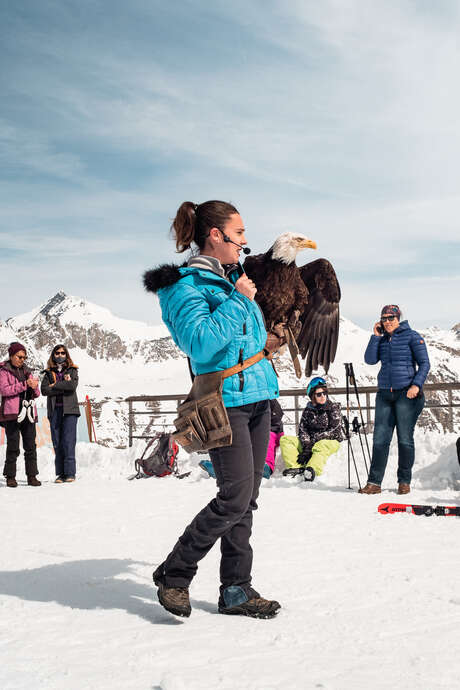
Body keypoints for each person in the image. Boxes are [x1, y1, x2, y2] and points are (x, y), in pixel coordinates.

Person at [143, 199, 281, 619]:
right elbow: (200, 344)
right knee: (233, 498)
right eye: (238, 234)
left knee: (247, 499)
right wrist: (240, 301)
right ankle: (175, 573)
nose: (244, 243)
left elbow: (242, 344)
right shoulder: (183, 286)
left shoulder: (232, 279)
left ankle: (237, 589)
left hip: (257, 398)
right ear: (215, 236)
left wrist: (271, 337)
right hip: (225, 405)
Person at [359, 305, 430, 495]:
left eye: (391, 317)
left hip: (406, 394)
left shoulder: (412, 336)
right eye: (384, 318)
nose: (388, 321)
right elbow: (370, 360)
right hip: (384, 394)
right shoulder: (381, 339)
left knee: (405, 439)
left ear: (399, 318)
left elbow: (424, 363)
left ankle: (404, 481)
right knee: (380, 439)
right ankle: (374, 483)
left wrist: (416, 385)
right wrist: (375, 337)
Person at [200, 398, 284, 480]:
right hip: (255, 428)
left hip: (272, 431)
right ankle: (225, 468)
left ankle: (264, 466)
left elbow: (277, 417)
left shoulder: (267, 402)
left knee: (266, 441)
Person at [280, 377, 343, 481]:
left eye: (324, 393)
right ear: (313, 396)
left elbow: (334, 431)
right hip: (311, 443)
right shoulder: (308, 410)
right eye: (319, 394)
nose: (323, 396)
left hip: (330, 442)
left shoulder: (333, 408)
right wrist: (306, 444)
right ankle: (296, 467)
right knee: (286, 440)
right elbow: (303, 429)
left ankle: (312, 469)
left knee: (321, 445)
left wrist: (312, 443)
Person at [0, 342, 41, 487]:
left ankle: (32, 476)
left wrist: (35, 386)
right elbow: (4, 390)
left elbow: (37, 394)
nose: (22, 359)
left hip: (28, 412)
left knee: (30, 445)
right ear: (11, 356)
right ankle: (10, 476)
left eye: (24, 357)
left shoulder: (28, 371)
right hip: (12, 414)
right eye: (19, 356)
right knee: (13, 446)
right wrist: (25, 385)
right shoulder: (3, 371)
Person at [41, 345, 80, 483]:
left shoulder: (73, 370)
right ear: (53, 355)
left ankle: (70, 473)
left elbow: (72, 387)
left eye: (63, 352)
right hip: (55, 411)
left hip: (70, 411)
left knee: (68, 442)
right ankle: (60, 474)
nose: (60, 355)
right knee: (57, 442)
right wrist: (63, 385)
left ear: (66, 354)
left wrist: (55, 386)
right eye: (57, 353)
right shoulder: (48, 372)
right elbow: (44, 390)